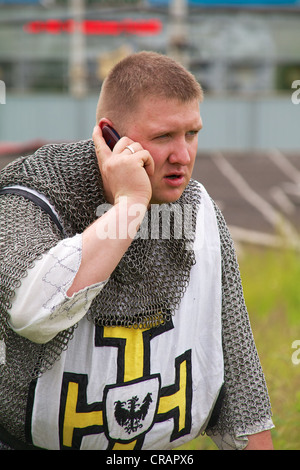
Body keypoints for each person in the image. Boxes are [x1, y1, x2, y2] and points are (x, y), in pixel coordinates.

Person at [0, 51, 274, 450]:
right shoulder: (29, 196)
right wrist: (130, 203)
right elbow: (34, 312)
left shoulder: (199, 213)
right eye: (164, 137)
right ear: (111, 136)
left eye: (192, 134)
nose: (183, 156)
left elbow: (240, 378)